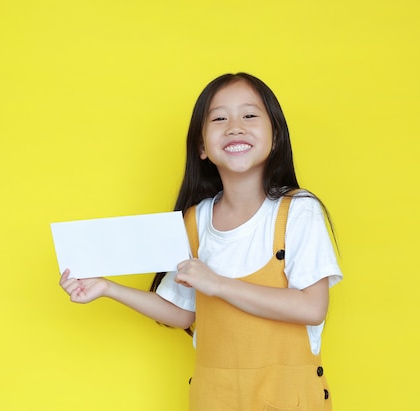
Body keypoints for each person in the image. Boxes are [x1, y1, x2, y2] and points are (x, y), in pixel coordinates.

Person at [59, 72, 343, 411]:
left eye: (249, 115)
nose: (235, 126)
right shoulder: (195, 221)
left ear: (276, 136)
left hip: (289, 397)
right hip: (215, 398)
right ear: (202, 146)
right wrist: (107, 288)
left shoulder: (299, 211)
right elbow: (182, 312)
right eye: (219, 118)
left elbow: (312, 307)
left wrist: (218, 284)